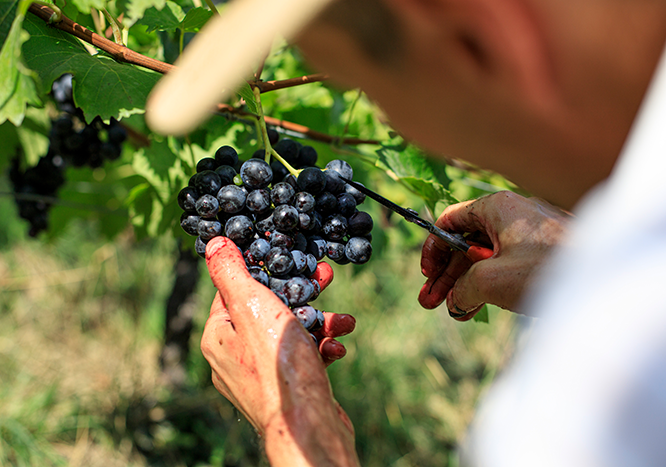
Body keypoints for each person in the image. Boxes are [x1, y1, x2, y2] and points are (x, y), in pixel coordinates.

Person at [146, 0, 666, 465]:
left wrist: (297, 419)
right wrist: (576, 262)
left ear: (473, 37)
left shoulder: (608, 386)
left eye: (365, 86)